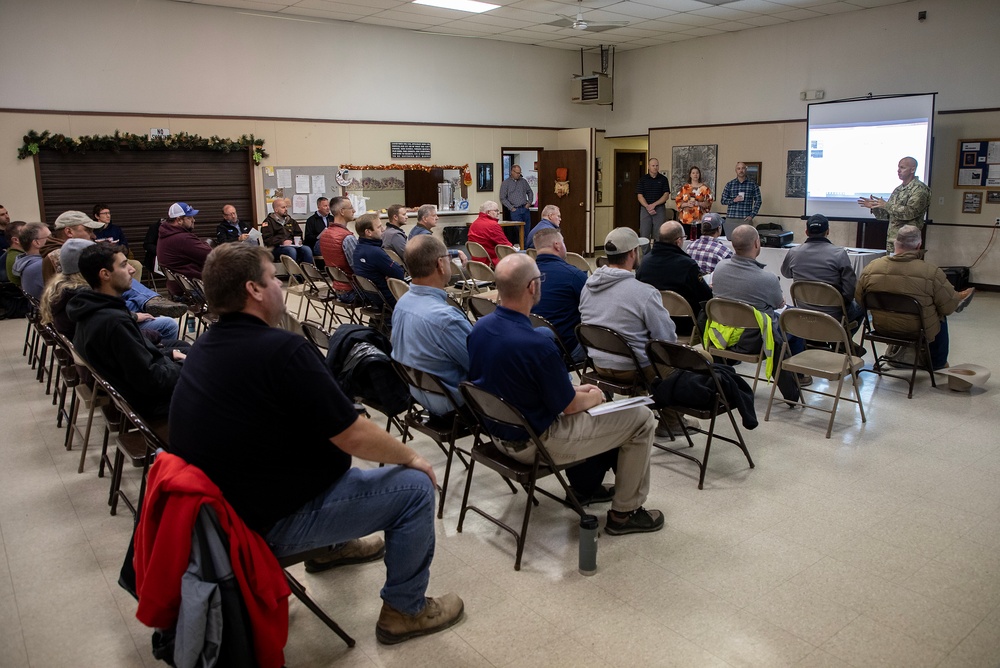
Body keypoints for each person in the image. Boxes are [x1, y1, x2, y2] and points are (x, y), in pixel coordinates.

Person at [167, 242, 464, 645]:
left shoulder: (207, 345)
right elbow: (352, 432)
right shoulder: (279, 349)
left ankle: (332, 547)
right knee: (413, 488)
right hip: (262, 524)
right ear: (254, 290)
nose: (279, 285)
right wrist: (412, 456)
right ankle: (405, 610)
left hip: (222, 515)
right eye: (274, 277)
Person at [468, 253, 663, 535]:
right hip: (537, 442)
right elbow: (570, 407)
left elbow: (516, 383)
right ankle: (625, 513)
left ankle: (587, 486)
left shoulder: (480, 329)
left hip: (499, 435)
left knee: (602, 406)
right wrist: (593, 395)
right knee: (641, 418)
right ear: (532, 287)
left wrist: (574, 390)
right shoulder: (537, 344)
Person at [67, 244, 185, 419]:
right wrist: (187, 366)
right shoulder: (113, 321)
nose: (131, 270)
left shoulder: (89, 308)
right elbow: (152, 381)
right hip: (150, 404)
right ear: (105, 274)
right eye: (123, 265)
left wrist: (170, 356)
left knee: (187, 351)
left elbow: (138, 361)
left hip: (138, 392)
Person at [856, 225, 974, 371]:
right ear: (919, 245)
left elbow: (860, 300)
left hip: (881, 327)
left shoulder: (871, 267)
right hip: (917, 330)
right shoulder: (931, 272)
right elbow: (948, 308)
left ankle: (895, 354)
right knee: (941, 312)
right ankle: (938, 362)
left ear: (895, 244)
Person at [710, 224, 803, 399]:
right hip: (755, 341)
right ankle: (796, 380)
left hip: (721, 336)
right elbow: (779, 304)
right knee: (792, 323)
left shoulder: (720, 268)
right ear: (756, 244)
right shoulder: (767, 279)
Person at [390, 235, 473, 416]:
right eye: (449, 259)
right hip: (455, 403)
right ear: (440, 265)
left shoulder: (402, 303)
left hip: (419, 393)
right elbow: (479, 365)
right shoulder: (446, 319)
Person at [579, 227, 676, 379]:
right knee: (701, 361)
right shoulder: (645, 293)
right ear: (632, 253)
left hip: (598, 364)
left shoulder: (587, 286)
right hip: (636, 369)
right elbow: (667, 339)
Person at [780, 213, 863, 329]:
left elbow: (786, 273)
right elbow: (849, 291)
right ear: (827, 231)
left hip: (804, 312)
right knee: (862, 306)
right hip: (834, 315)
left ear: (806, 232)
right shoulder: (839, 254)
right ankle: (843, 341)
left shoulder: (793, 252)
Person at [636, 221, 713, 331]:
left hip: (651, 320)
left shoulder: (645, 262)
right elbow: (705, 297)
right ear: (678, 241)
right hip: (683, 324)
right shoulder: (688, 265)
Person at [532, 227, 587, 362]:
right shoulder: (574, 275)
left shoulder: (522, 274)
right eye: (563, 241)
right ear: (557, 245)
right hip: (566, 348)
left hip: (528, 344)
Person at [857, 156, 932, 253]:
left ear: (913, 169)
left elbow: (910, 213)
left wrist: (886, 205)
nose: (898, 171)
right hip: (893, 240)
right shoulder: (898, 189)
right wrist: (875, 207)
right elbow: (889, 215)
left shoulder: (920, 190)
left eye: (902, 168)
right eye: (898, 167)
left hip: (908, 242)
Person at [157, 202, 212, 295]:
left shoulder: (165, 235)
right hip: (195, 289)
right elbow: (212, 255)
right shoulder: (182, 238)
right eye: (189, 217)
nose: (193, 220)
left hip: (180, 287)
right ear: (179, 220)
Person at [353, 213, 405, 307]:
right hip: (389, 299)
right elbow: (400, 274)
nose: (383, 229)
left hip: (372, 298)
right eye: (379, 227)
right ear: (368, 232)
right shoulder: (375, 252)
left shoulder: (357, 249)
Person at [41, 209, 104, 284]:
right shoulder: (61, 256)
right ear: (69, 232)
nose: (94, 236)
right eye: (88, 230)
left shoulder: (51, 253)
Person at [319, 198, 357, 296]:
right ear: (342, 211)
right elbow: (357, 267)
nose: (354, 210)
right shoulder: (347, 237)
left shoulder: (325, 234)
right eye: (351, 208)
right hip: (352, 290)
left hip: (338, 288)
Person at [261, 198, 314, 265]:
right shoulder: (268, 222)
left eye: (286, 207)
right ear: (276, 210)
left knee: (307, 249)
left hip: (292, 245)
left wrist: (299, 240)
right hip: (276, 248)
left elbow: (298, 233)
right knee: (291, 251)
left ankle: (307, 272)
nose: (286, 209)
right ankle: (294, 274)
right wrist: (282, 242)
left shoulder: (291, 221)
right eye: (283, 207)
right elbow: (267, 239)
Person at [12, 222, 51, 300]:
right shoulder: (40, 265)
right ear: (36, 242)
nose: (53, 240)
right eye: (49, 237)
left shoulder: (24, 262)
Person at [635, 158, 670, 246]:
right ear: (648, 166)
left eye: (657, 165)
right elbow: (639, 196)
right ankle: (646, 256)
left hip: (659, 208)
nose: (655, 167)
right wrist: (648, 206)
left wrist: (654, 205)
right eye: (653, 165)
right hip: (645, 209)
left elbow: (666, 195)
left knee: (659, 234)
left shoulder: (663, 179)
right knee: (644, 234)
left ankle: (657, 254)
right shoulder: (643, 179)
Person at [674, 166, 713, 238]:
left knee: (699, 239)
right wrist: (686, 204)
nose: (695, 175)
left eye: (697, 173)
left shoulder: (705, 188)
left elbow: (709, 203)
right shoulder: (684, 188)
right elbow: (678, 201)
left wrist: (698, 203)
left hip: (700, 220)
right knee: (686, 239)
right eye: (693, 173)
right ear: (690, 175)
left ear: (699, 175)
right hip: (686, 219)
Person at [467, 201, 509, 267]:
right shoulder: (493, 225)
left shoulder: (474, 224)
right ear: (488, 212)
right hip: (492, 262)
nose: (498, 213)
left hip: (476, 263)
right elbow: (507, 246)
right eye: (496, 211)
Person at [498, 164, 533, 234]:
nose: (518, 175)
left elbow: (530, 192)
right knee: (518, 231)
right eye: (517, 173)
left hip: (525, 208)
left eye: (520, 173)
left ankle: (526, 245)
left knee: (527, 230)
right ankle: (522, 244)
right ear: (512, 172)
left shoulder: (523, 181)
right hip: (515, 210)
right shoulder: (506, 183)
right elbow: (502, 197)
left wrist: (529, 203)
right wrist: (511, 208)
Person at [4, 221, 26, 287]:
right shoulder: (18, 259)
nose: (32, 236)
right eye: (26, 234)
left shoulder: (13, 253)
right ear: (16, 240)